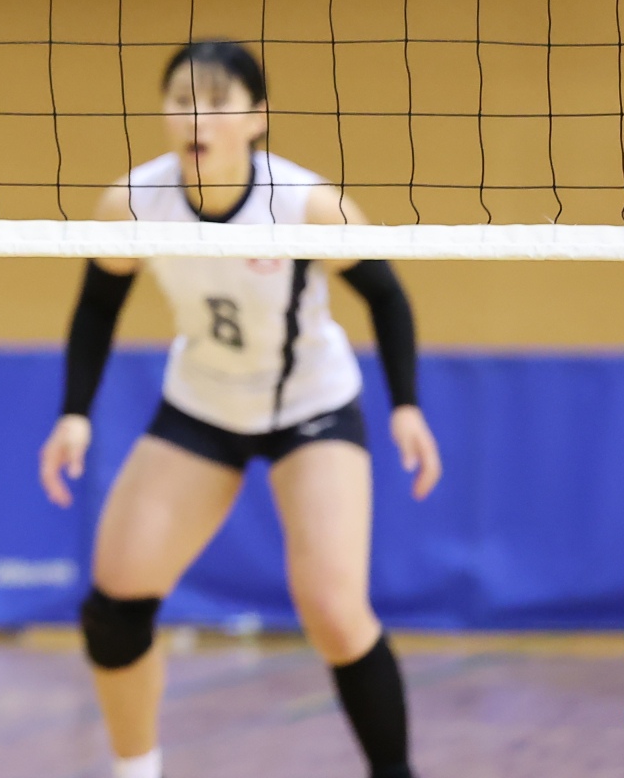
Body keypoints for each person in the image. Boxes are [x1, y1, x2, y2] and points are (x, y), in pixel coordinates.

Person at [37, 40, 440, 778]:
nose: (197, 117)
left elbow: (386, 296)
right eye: (181, 101)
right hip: (204, 403)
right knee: (114, 610)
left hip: (310, 407)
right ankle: (136, 771)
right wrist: (74, 413)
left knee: (334, 612)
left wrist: (406, 405)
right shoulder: (134, 201)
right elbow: (97, 306)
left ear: (258, 117)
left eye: (218, 102)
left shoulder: (306, 202)